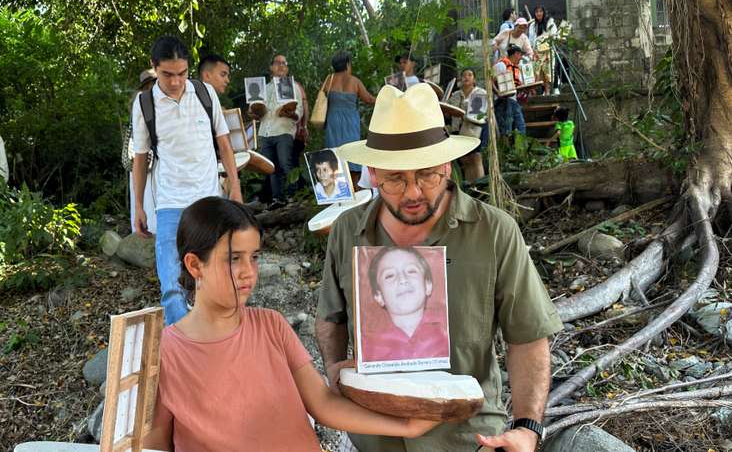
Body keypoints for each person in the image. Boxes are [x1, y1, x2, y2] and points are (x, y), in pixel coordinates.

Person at [316, 83, 562, 452]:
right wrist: (335, 367)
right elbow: (330, 315)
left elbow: (527, 335)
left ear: (447, 165)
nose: (413, 192)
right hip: (374, 439)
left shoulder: (494, 232)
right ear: (373, 172)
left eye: (428, 175)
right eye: (395, 178)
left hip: (467, 440)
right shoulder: (348, 231)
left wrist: (527, 428)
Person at [143, 196, 440, 451]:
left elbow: (322, 403)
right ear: (195, 265)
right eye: (234, 259)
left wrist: (406, 426)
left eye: (255, 257)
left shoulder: (270, 325)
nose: (249, 272)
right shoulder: (164, 353)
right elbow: (153, 445)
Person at [132, 36, 243, 326]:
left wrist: (236, 189)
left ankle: (219, 338)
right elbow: (140, 159)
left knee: (216, 277)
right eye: (167, 74)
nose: (175, 81)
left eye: (182, 73)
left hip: (209, 201)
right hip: (169, 203)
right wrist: (138, 207)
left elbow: (224, 143)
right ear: (154, 68)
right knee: (171, 286)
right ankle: (182, 348)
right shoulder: (144, 104)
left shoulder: (205, 93)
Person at [361, 247, 448, 363]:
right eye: (390, 275)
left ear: (428, 285)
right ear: (379, 296)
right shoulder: (368, 348)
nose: (402, 279)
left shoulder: (445, 335)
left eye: (411, 271)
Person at [251, 54, 303, 207]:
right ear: (271, 67)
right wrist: (254, 113)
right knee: (271, 168)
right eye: (277, 63)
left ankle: (294, 196)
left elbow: (299, 110)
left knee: (286, 163)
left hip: (283, 130)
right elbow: (257, 112)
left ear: (287, 68)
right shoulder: (262, 89)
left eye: (284, 63)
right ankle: (277, 198)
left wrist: (292, 113)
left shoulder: (293, 87)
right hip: (266, 132)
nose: (281, 66)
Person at [324, 51, 376, 186]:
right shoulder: (355, 81)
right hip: (350, 122)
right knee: (352, 151)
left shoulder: (329, 80)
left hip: (333, 121)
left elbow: (322, 101)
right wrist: (385, 98)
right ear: (347, 64)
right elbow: (369, 99)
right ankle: (354, 186)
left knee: (335, 153)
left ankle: (339, 190)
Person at [127, 69, 158, 234]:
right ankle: (148, 229)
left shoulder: (140, 101)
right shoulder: (143, 102)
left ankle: (144, 229)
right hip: (143, 157)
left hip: (141, 158)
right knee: (147, 194)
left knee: (143, 195)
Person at [447, 69, 488, 182]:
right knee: (465, 160)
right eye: (464, 75)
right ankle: (470, 187)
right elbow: (448, 111)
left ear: (474, 79)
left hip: (476, 129)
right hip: (458, 129)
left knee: (476, 157)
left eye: (470, 75)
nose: (466, 77)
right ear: (460, 78)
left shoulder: (480, 93)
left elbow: (479, 115)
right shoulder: (455, 95)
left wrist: (463, 115)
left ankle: (479, 186)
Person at [494, 45, 527, 139]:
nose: (521, 58)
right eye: (520, 55)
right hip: (502, 101)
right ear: (516, 54)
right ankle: (506, 149)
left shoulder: (516, 69)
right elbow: (490, 81)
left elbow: (518, 85)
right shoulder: (500, 65)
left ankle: (520, 148)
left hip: (513, 100)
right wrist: (498, 93)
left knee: (520, 126)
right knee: (506, 127)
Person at [528, 6, 558, 94]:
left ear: (544, 12)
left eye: (541, 11)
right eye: (537, 11)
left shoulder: (550, 22)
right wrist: (532, 51)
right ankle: (537, 93)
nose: (539, 13)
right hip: (537, 52)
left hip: (547, 51)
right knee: (537, 72)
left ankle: (548, 91)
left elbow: (554, 35)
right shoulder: (533, 25)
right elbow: (531, 40)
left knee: (547, 71)